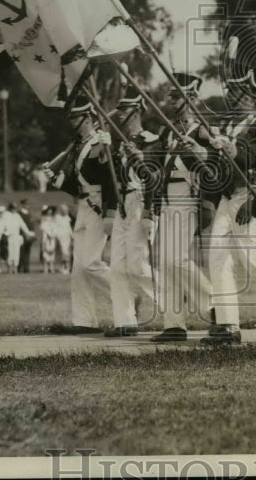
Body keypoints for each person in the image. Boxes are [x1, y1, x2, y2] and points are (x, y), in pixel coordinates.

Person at [200, 45, 256, 346]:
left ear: (251, 95)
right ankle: (228, 326)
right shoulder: (228, 125)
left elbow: (255, 160)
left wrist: (255, 202)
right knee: (218, 258)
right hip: (227, 199)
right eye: (231, 92)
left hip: (248, 196)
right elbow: (219, 170)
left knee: (255, 259)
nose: (232, 97)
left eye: (238, 93)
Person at [149, 73, 214, 343]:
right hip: (167, 196)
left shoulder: (201, 130)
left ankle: (214, 307)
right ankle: (174, 323)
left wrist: (198, 150)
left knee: (177, 260)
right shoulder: (169, 129)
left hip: (187, 195)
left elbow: (213, 165)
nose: (170, 100)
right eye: (170, 95)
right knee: (165, 263)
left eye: (176, 96)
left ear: (191, 98)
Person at [44, 94, 114, 332]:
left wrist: (110, 212)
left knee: (91, 263)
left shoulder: (100, 143)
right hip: (83, 205)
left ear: (88, 117)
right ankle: (84, 321)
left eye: (76, 116)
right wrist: (59, 181)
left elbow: (110, 181)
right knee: (78, 268)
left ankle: (125, 294)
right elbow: (77, 185)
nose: (71, 121)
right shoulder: (79, 146)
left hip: (97, 205)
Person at [105, 83, 158, 337]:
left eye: (124, 111)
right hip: (122, 203)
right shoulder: (117, 145)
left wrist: (149, 210)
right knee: (117, 266)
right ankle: (125, 321)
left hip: (139, 201)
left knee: (138, 265)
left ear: (136, 112)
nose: (119, 117)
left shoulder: (150, 142)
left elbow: (153, 177)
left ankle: (173, 304)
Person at [2, 202, 34, 274]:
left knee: (16, 252)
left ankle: (15, 269)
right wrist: (5, 233)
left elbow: (23, 225)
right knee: (10, 252)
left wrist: (28, 233)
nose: (14, 210)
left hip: (16, 236)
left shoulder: (17, 216)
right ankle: (9, 269)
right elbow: (3, 225)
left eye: (15, 208)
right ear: (10, 208)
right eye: (12, 208)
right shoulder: (5, 215)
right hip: (9, 236)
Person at [53, 203, 73, 274]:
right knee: (64, 253)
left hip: (67, 237)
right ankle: (62, 267)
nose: (66, 211)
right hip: (60, 237)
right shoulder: (57, 217)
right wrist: (56, 236)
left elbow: (69, 228)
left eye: (66, 210)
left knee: (67, 253)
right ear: (61, 210)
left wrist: (72, 236)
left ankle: (66, 267)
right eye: (64, 210)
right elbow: (55, 227)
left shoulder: (67, 217)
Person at [17, 199, 35, 273]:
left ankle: (26, 268)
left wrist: (32, 234)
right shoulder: (19, 214)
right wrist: (25, 234)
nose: (27, 206)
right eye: (26, 204)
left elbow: (31, 225)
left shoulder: (29, 214)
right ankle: (20, 268)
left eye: (28, 204)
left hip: (29, 235)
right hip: (21, 235)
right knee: (21, 252)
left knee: (27, 252)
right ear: (22, 205)